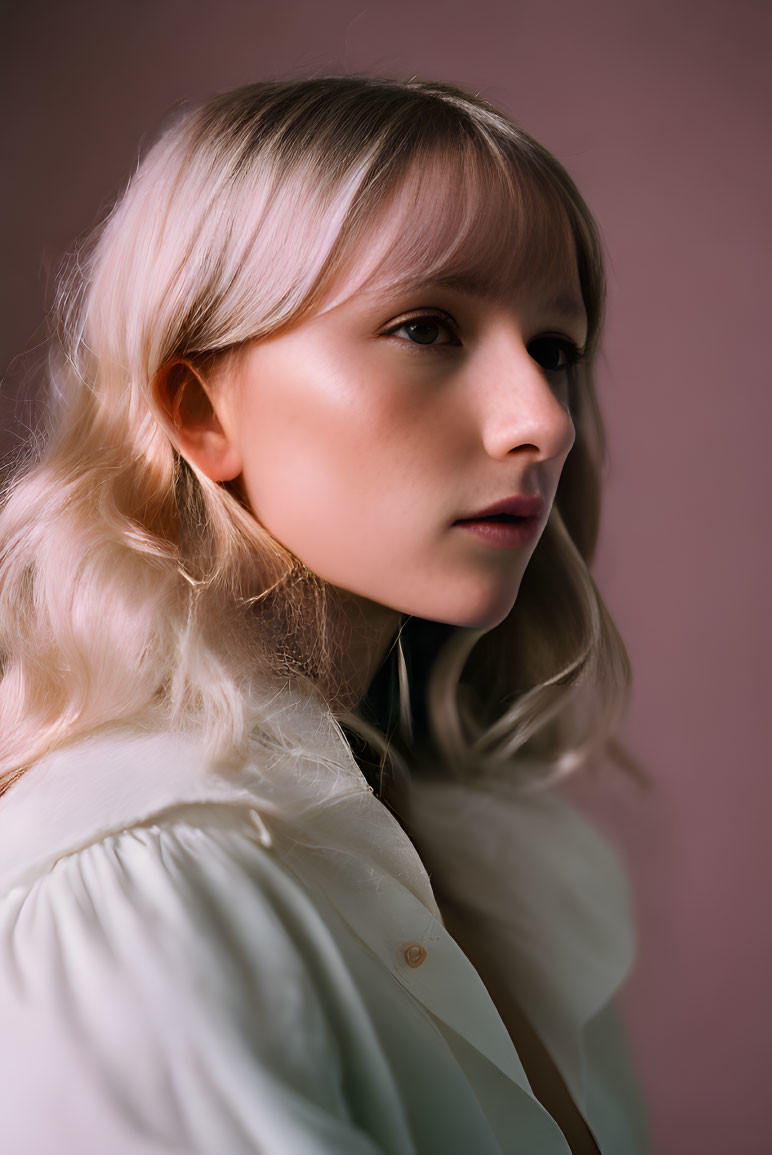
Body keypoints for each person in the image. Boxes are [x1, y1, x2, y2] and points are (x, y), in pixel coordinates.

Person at [0, 75, 648, 1154]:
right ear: (199, 408)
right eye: (426, 327)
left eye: (553, 348)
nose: (541, 421)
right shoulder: (144, 886)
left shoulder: (483, 863)